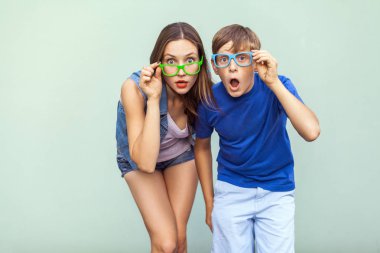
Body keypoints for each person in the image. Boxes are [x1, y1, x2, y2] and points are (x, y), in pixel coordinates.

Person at [194, 24, 320, 253]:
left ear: (254, 63)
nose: (232, 67)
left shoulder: (277, 85)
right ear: (214, 66)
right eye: (224, 60)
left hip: (276, 191)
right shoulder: (209, 100)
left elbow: (311, 131)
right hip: (231, 189)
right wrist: (210, 202)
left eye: (242, 58)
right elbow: (201, 148)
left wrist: (273, 82)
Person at [116, 22, 214, 253]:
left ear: (200, 62)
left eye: (189, 60)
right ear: (159, 63)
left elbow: (205, 147)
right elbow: (146, 163)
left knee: (179, 240)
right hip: (140, 159)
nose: (181, 71)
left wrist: (211, 204)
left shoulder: (204, 91)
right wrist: (153, 98)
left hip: (179, 155)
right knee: (166, 243)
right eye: (171, 61)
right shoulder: (134, 88)